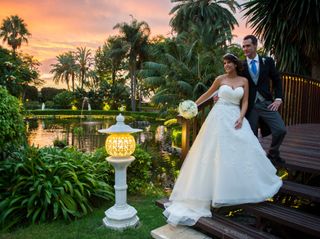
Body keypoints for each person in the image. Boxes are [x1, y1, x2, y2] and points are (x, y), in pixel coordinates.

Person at [163, 53, 282, 226]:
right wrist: (190, 106)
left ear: (235, 65)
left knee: (244, 148)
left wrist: (241, 117)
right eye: (224, 63)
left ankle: (243, 188)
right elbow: (207, 94)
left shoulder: (244, 81)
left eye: (229, 63)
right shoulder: (220, 79)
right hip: (218, 116)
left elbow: (246, 101)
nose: (226, 65)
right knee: (215, 151)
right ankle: (214, 191)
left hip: (235, 115)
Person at [241, 35, 287, 164]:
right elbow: (233, 81)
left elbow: (277, 80)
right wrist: (219, 93)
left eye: (248, 46)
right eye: (243, 46)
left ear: (255, 46)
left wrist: (278, 98)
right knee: (251, 136)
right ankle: (255, 162)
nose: (245, 49)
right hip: (250, 106)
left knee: (280, 129)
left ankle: (273, 153)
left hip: (267, 103)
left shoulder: (267, 61)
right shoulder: (241, 65)